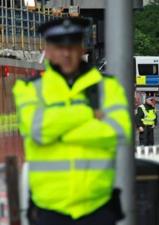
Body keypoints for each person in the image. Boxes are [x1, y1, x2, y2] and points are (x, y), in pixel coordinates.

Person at [13, 18, 131, 225]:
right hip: (49, 208)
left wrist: (59, 131)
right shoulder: (29, 89)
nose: (66, 53)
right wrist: (87, 114)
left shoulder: (108, 87)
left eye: (72, 46)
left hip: (98, 206)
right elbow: (38, 130)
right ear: (47, 50)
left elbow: (119, 132)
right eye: (59, 47)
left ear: (81, 49)